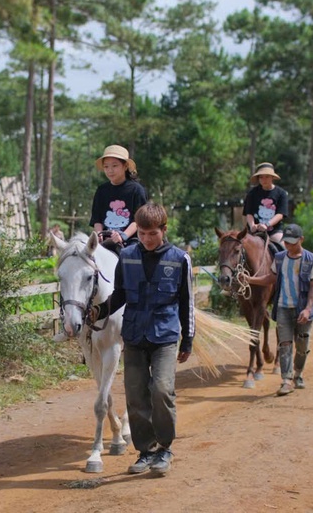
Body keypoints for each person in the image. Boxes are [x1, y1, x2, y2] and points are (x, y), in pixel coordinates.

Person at [90, 202, 194, 476]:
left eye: (153, 234)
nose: (147, 239)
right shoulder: (127, 256)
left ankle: (164, 449)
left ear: (164, 230)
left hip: (165, 336)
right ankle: (146, 451)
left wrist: (188, 340)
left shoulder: (179, 259)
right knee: (135, 397)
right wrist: (99, 311)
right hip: (134, 336)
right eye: (143, 234)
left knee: (161, 390)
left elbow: (187, 303)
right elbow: (120, 294)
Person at [242, 224, 313, 396]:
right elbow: (270, 278)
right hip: (284, 307)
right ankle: (286, 380)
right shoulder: (280, 258)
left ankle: (298, 373)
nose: (288, 246)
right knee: (284, 344)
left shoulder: (310, 259)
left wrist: (307, 309)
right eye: (286, 242)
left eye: (292, 242)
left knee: (302, 346)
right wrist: (250, 280)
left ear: (301, 240)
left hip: (302, 309)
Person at [90, 145, 148, 253]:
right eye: (106, 167)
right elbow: (97, 219)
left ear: (125, 166)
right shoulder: (101, 190)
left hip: (131, 241)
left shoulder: (137, 190)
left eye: (114, 166)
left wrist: (123, 236)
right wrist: (99, 235)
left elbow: (139, 220)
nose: (110, 170)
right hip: (105, 240)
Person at [243, 162, 289, 255]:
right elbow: (249, 213)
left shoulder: (281, 193)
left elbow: (280, 214)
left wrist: (267, 225)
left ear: (272, 177)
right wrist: (252, 226)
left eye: (267, 176)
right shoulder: (252, 194)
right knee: (238, 248)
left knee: (284, 248)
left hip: (274, 231)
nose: (264, 179)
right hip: (254, 231)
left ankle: (286, 268)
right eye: (261, 177)